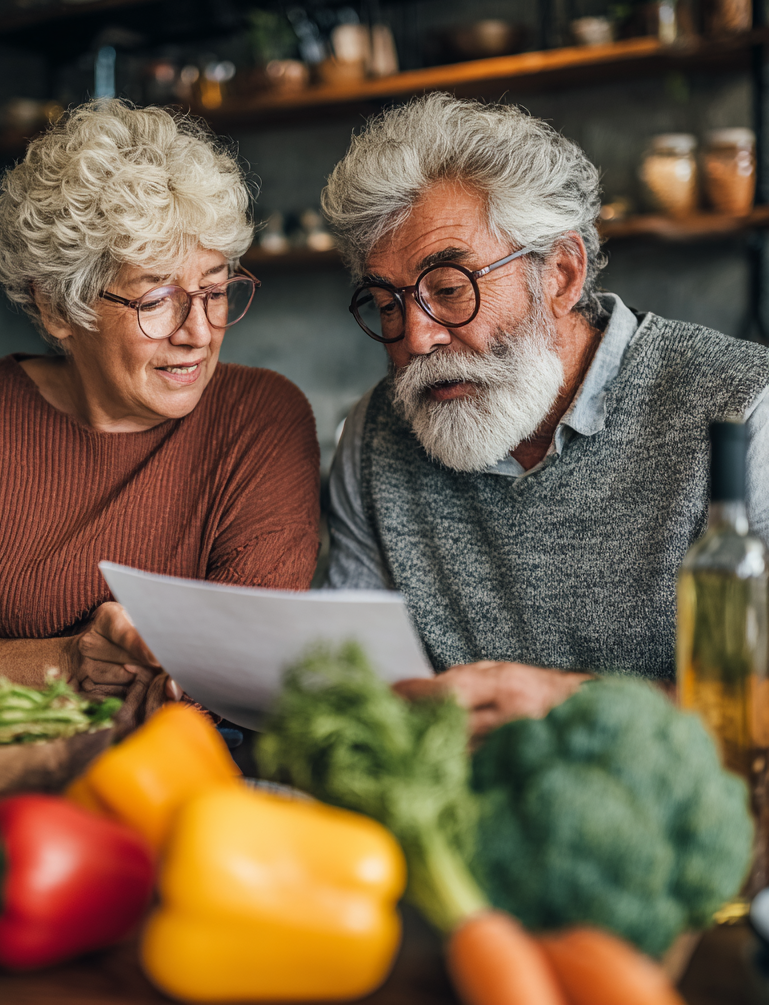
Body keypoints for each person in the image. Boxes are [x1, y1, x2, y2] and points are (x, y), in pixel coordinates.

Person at [322, 92, 769, 736]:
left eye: (449, 290)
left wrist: (574, 706)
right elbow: (350, 680)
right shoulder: (378, 435)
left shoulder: (741, 408)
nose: (415, 338)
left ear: (560, 274)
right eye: (387, 304)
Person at [0, 101, 321, 723]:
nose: (198, 332)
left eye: (215, 290)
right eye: (156, 298)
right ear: (58, 309)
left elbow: (242, 662)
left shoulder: (261, 418)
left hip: (188, 780)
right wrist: (64, 665)